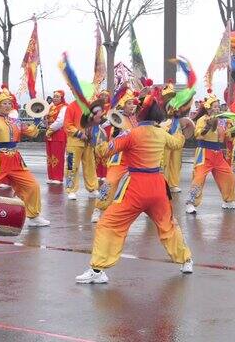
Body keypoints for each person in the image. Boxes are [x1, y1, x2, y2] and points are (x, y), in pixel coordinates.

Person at [76, 89, 193, 283]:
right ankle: (186, 260)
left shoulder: (131, 134)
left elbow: (104, 151)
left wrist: (95, 130)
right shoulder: (161, 134)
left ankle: (97, 270)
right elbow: (177, 143)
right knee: (168, 225)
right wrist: (179, 126)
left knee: (108, 224)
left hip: (136, 187)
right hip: (158, 187)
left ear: (141, 113)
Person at [0, 87, 50, 227]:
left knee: (32, 186)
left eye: (9, 103)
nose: (7, 105)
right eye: (4, 103)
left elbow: (31, 133)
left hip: (15, 159)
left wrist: (37, 120)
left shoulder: (15, 121)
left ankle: (34, 216)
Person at [185, 90, 235, 214]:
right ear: (208, 108)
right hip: (204, 153)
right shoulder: (202, 120)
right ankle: (190, 203)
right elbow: (198, 135)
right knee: (198, 178)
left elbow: (226, 136)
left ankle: (228, 201)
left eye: (218, 106)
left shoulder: (221, 120)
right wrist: (207, 127)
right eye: (215, 106)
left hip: (217, 153)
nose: (217, 108)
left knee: (228, 176)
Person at [90, 89, 138, 223]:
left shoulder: (136, 119)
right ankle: (98, 209)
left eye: (133, 103)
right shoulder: (117, 119)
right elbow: (110, 136)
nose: (132, 106)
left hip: (135, 159)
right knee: (109, 184)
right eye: (129, 103)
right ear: (123, 105)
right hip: (120, 158)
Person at [63, 88, 100, 201]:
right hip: (74, 142)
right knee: (71, 166)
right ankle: (71, 190)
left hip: (89, 142)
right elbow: (67, 125)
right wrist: (80, 134)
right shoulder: (71, 107)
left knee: (90, 166)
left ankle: (93, 188)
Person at [45, 90, 68, 185]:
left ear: (61, 98)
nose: (55, 98)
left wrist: (50, 128)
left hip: (58, 133)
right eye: (54, 96)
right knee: (50, 156)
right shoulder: (50, 107)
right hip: (49, 133)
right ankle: (51, 176)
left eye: (57, 97)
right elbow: (46, 119)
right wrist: (45, 120)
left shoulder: (64, 107)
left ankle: (58, 177)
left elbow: (60, 121)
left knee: (58, 156)